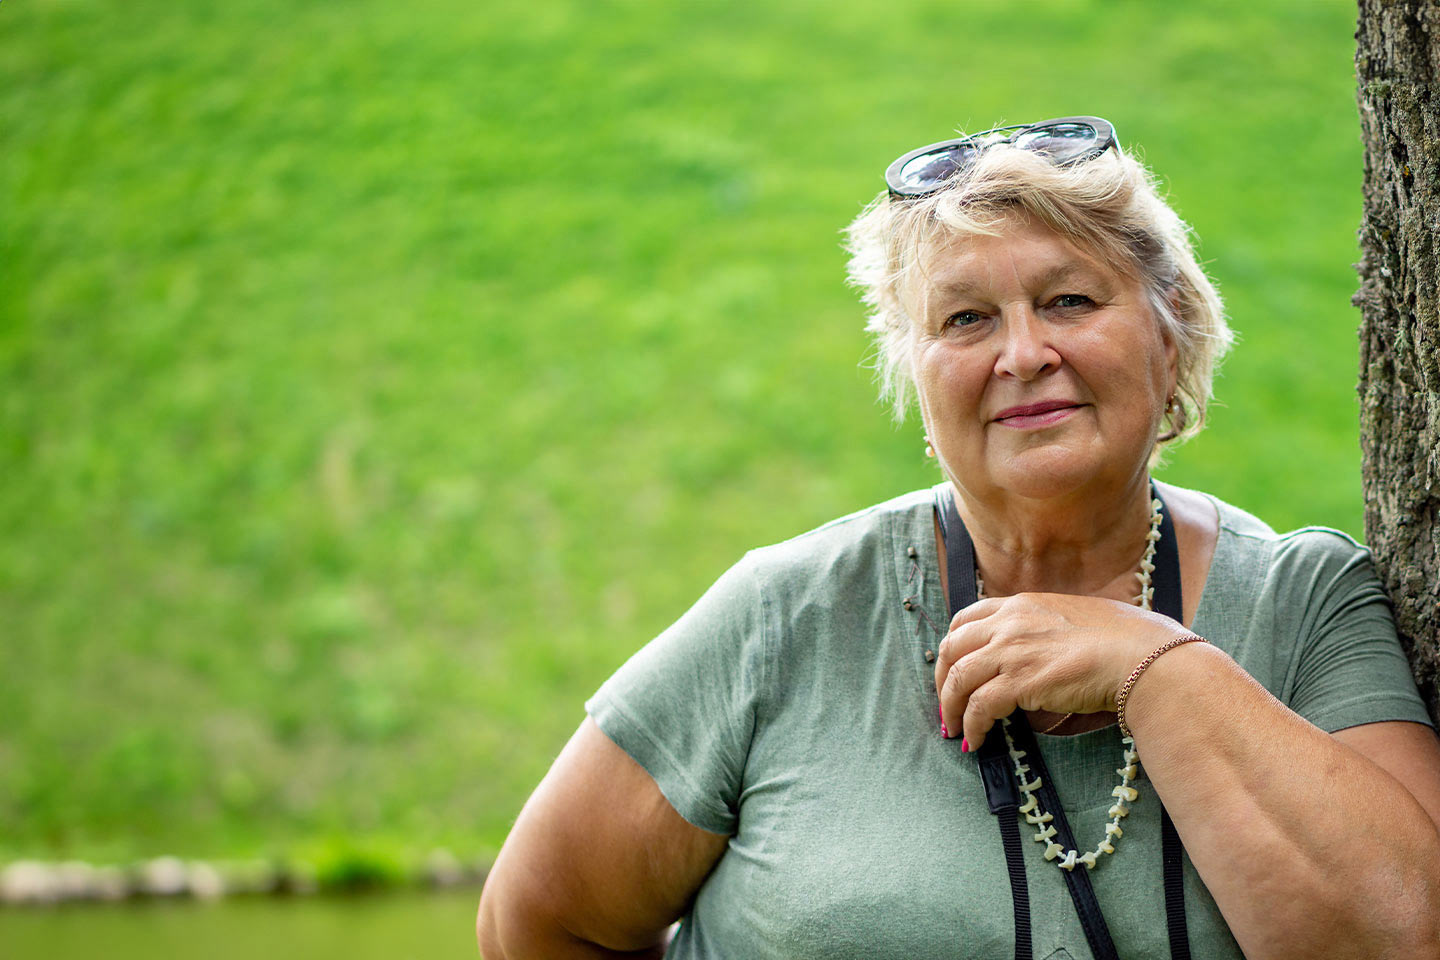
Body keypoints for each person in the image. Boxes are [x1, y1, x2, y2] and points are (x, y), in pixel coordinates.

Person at [476, 116, 1440, 959]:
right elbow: (539, 924)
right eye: (967, 318)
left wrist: (1160, 668)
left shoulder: (1307, 604)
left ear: (1173, 329)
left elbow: (1407, 938)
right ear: (917, 375)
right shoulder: (787, 613)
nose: (1023, 355)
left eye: (1070, 300)